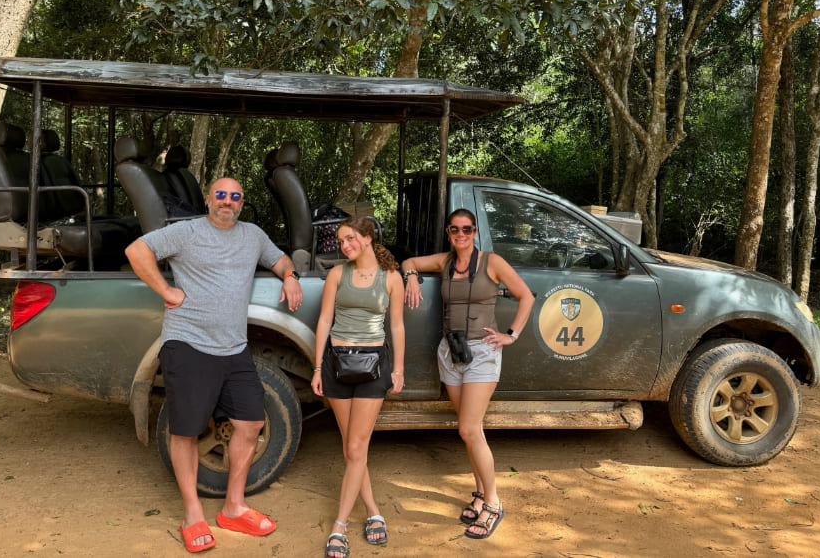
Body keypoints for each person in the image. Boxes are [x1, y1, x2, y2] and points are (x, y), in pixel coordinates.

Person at [125, 177, 303, 553]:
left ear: (241, 203)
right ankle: (193, 513)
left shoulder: (252, 235)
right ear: (208, 200)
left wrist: (290, 277)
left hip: (234, 348)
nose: (227, 201)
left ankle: (234, 507)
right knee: (186, 431)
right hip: (188, 344)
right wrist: (167, 290)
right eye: (220, 195)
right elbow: (137, 251)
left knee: (251, 422)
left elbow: (280, 258)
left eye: (235, 196)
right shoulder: (186, 232)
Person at [401, 208, 534, 540]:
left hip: (482, 353)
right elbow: (409, 262)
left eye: (467, 229)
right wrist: (411, 277)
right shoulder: (445, 261)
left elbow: (526, 296)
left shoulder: (492, 262)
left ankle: (493, 503)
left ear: (475, 232)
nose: (461, 234)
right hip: (450, 351)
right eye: (455, 229)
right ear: (449, 231)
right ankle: (478, 493)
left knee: (469, 428)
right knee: (468, 432)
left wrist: (511, 334)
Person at [311, 216, 405, 558]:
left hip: (373, 366)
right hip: (337, 363)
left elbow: (396, 325)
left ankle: (339, 526)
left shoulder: (390, 277)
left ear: (367, 238)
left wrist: (398, 369)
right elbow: (324, 320)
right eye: (341, 241)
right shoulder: (337, 275)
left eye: (350, 239)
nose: (345, 246)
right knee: (354, 451)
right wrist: (318, 366)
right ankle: (374, 511)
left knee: (355, 447)